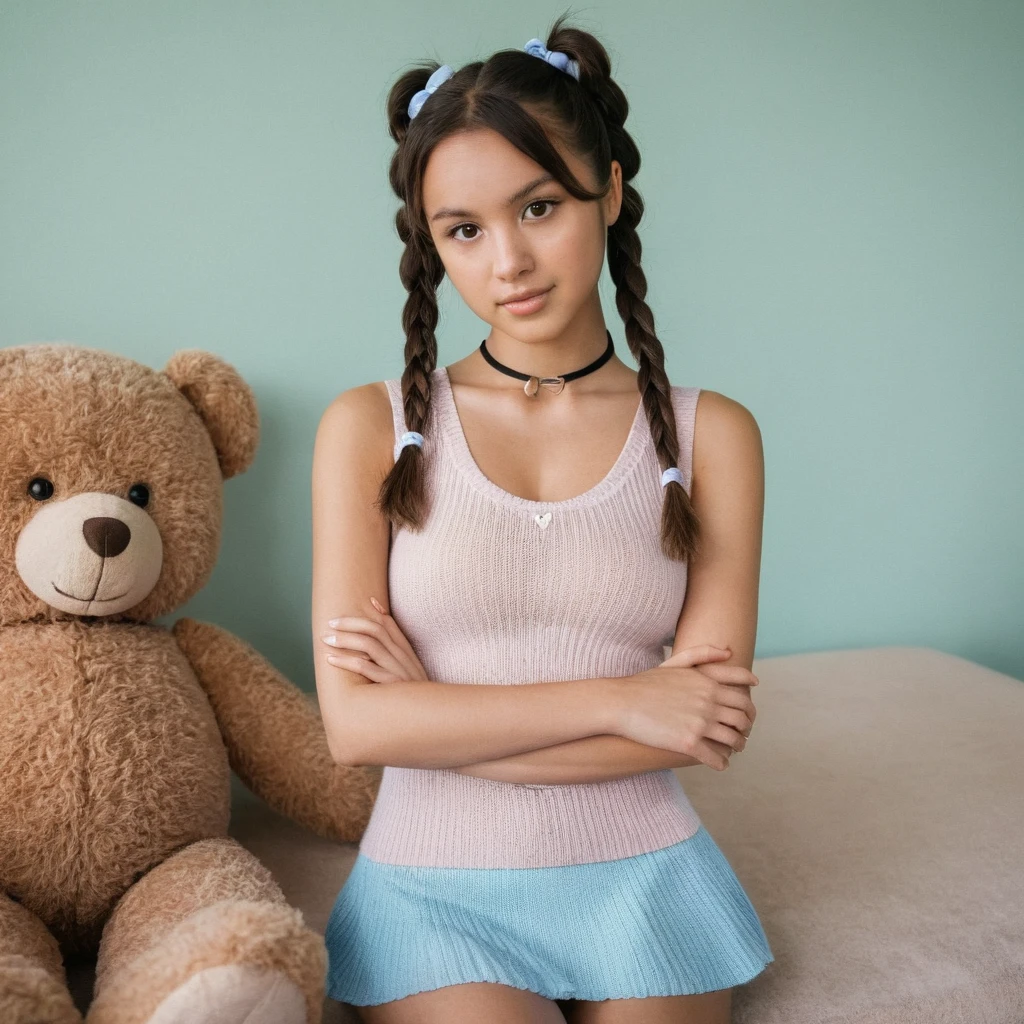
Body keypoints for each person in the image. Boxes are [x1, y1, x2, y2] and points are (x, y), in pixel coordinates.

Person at [310, 15, 773, 1023]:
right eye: (463, 229)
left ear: (607, 190)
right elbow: (356, 727)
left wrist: (432, 715)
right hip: (429, 887)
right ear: (431, 244)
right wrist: (622, 696)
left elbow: (698, 721)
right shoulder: (370, 427)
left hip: (647, 874)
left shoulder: (714, 435)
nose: (506, 261)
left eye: (540, 206)